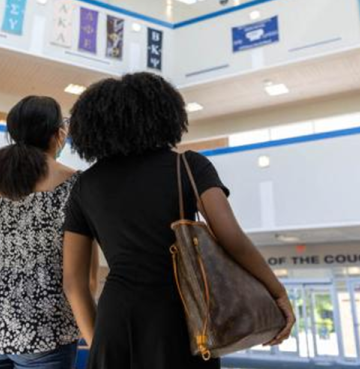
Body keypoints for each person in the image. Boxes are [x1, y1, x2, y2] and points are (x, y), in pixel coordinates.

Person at [62, 72, 296, 369]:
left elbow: (73, 281)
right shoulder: (188, 165)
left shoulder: (85, 184)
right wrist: (278, 292)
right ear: (164, 115)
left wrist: (100, 343)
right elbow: (230, 237)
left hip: (117, 316)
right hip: (184, 312)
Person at [0, 96, 96, 369]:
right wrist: (95, 339)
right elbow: (84, 281)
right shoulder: (76, 185)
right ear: (57, 132)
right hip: (45, 327)